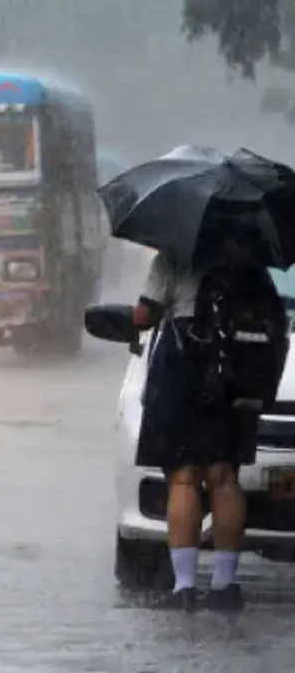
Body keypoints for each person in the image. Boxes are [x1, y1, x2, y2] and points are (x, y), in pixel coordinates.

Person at [133, 248, 283, 612]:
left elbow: (144, 316)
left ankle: (184, 587)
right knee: (224, 476)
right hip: (235, 374)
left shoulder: (173, 255)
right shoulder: (251, 260)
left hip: (183, 367)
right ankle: (225, 586)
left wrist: (136, 316)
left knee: (184, 477)